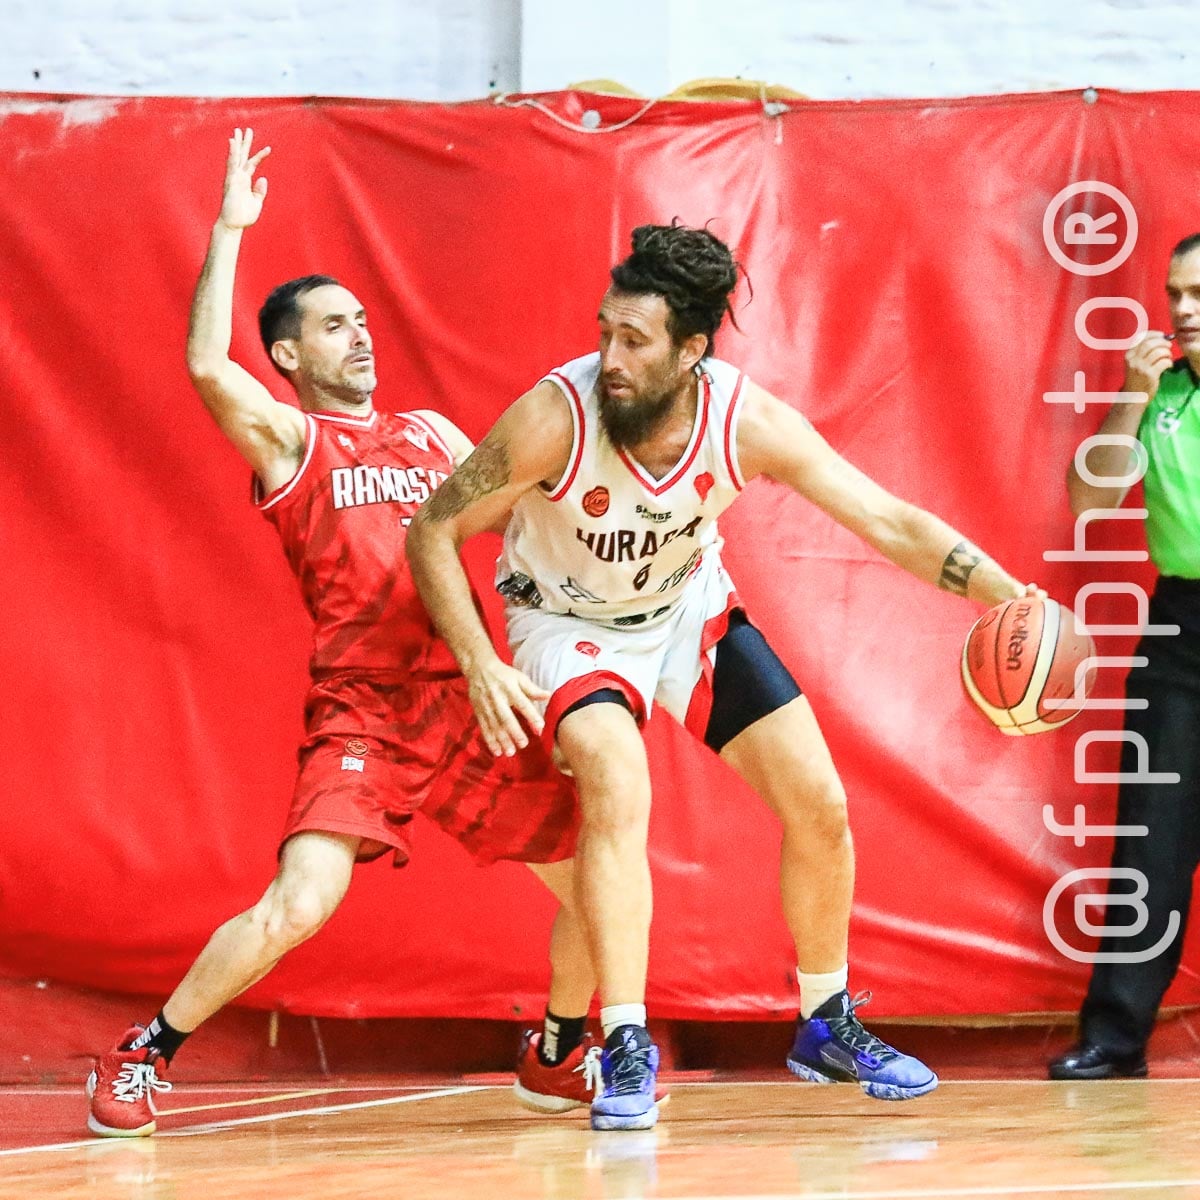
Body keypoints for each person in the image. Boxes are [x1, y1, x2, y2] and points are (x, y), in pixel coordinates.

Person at [406, 221, 1041, 1130]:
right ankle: (622, 1040)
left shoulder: (744, 419)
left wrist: (1004, 593)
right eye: (604, 333)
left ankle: (825, 1018)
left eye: (635, 341)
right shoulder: (557, 415)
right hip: (567, 625)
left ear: (691, 350)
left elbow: (885, 519)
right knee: (620, 791)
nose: (610, 357)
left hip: (683, 613)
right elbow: (432, 525)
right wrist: (476, 662)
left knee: (820, 804)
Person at [85, 130, 602, 1137]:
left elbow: (528, 514)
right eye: (333, 327)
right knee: (301, 906)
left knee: (599, 880)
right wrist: (231, 231)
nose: (361, 338)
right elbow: (203, 363)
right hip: (363, 709)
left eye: (364, 321)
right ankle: (147, 1051)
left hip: (464, 703)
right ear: (289, 354)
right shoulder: (292, 439)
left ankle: (553, 1052)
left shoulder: (433, 439)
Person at [1049, 233, 1200, 1080]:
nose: (1182, 310)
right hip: (1183, 627)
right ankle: (1113, 1038)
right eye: (1175, 293)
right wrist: (1133, 396)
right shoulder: (1164, 393)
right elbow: (1088, 495)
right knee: (1152, 843)